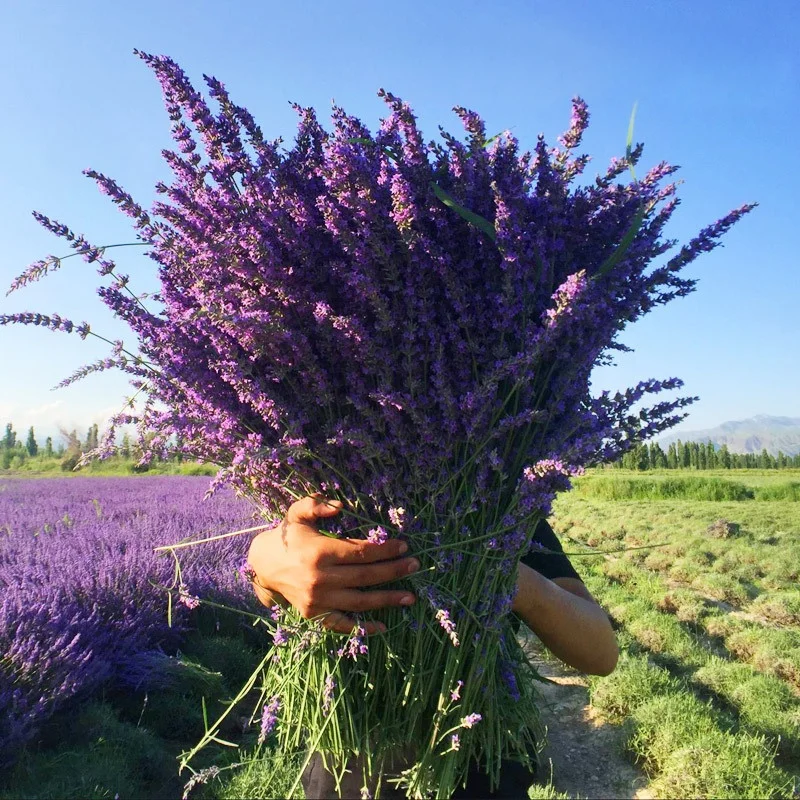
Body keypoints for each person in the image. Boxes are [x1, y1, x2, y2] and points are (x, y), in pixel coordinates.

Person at [247, 496, 618, 799]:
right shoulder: (326, 482)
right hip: (348, 764)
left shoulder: (506, 494)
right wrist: (263, 561)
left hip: (481, 768)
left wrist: (499, 571)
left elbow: (600, 652)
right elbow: (272, 580)